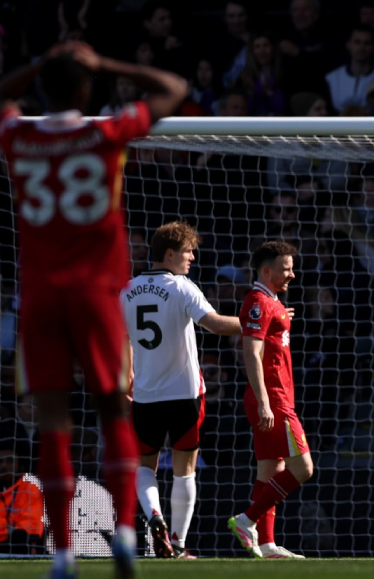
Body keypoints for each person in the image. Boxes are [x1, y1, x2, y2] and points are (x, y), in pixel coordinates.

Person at [0, 41, 186, 579]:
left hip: (41, 296)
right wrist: (103, 61)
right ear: (86, 88)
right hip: (98, 291)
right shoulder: (105, 133)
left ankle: (63, 555)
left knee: (53, 423)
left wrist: (45, 61)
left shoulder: (20, 137)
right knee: (114, 409)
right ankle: (124, 531)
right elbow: (173, 89)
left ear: (44, 86)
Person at [122, 221, 242, 560]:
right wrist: (259, 322)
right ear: (170, 254)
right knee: (183, 468)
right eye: (188, 251)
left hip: (145, 395)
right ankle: (177, 543)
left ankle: (154, 517)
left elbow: (119, 340)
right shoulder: (182, 287)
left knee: (145, 467)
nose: (192, 258)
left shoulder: (126, 290)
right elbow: (217, 324)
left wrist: (126, 374)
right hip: (186, 393)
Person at [227, 241, 311, 560]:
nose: (292, 274)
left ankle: (267, 544)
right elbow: (251, 352)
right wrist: (264, 401)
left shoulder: (271, 302)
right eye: (286, 268)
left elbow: (269, 334)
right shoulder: (258, 301)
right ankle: (247, 520)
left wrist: (280, 315)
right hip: (273, 399)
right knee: (303, 468)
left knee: (270, 470)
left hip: (276, 397)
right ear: (267, 270)